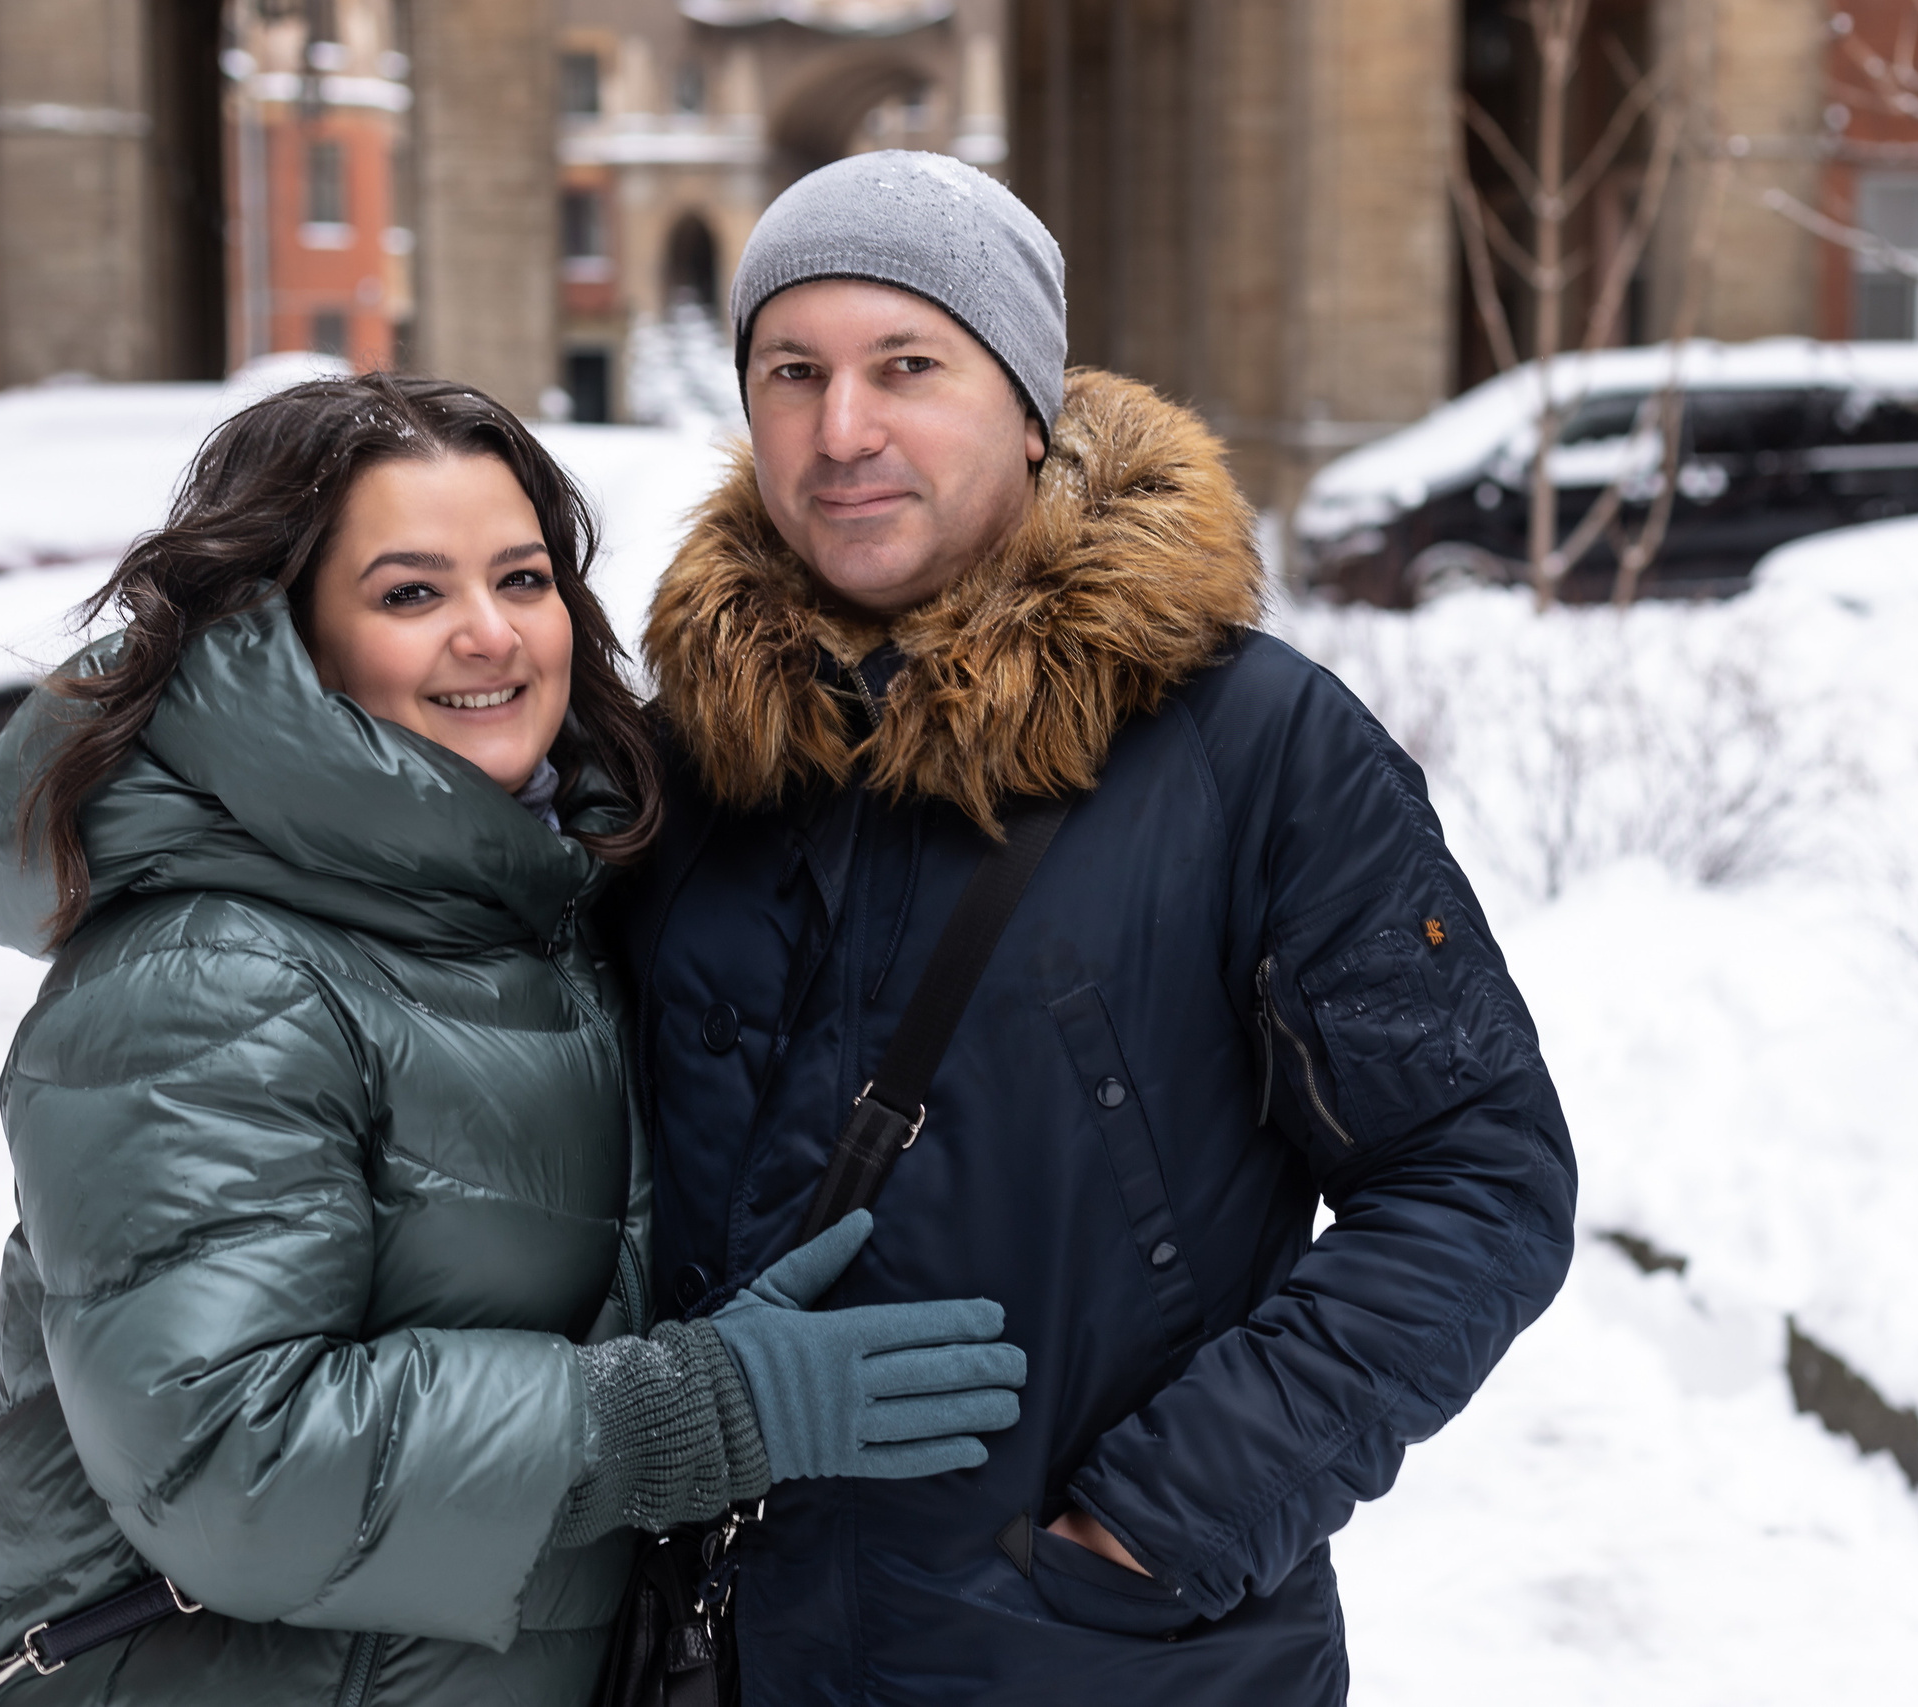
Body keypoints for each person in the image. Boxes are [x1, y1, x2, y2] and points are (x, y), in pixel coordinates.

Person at [620, 150, 1579, 1704]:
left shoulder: (1253, 747)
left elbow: (1478, 1178)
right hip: (730, 1659)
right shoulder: (684, 765)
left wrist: (1163, 1520)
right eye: (792, 372)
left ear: (1028, 401)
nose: (843, 428)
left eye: (906, 365)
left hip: (1115, 1658)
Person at [0, 374, 1025, 1706]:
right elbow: (229, 1466)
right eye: (410, 594)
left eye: (521, 579)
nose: (491, 636)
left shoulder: (530, 896)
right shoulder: (211, 972)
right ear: (283, 635)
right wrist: (688, 1409)